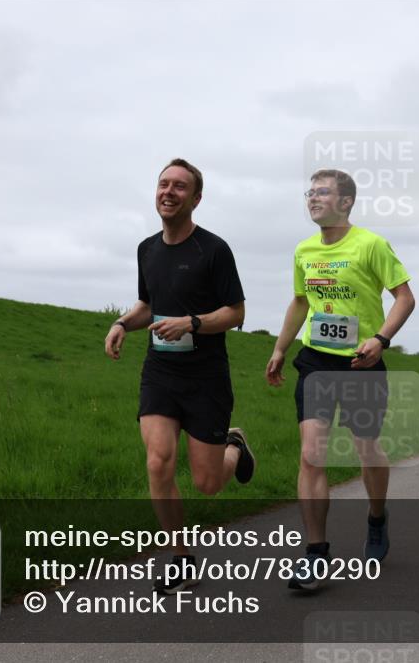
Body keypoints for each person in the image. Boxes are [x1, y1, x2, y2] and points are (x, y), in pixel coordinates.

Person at [103, 158, 255, 595]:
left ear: (196, 198)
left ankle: (235, 446)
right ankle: (181, 558)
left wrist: (192, 322)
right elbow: (147, 304)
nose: (169, 192)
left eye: (180, 187)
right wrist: (120, 324)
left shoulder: (214, 250)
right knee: (158, 462)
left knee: (207, 484)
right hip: (161, 372)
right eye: (163, 184)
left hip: (206, 376)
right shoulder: (146, 249)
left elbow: (236, 313)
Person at [265, 169, 415, 591]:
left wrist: (381, 339)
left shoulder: (371, 244)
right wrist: (280, 348)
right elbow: (299, 300)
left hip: (360, 363)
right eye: (309, 192)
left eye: (323, 192)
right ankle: (315, 554)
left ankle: (377, 517)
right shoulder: (304, 249)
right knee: (312, 454)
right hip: (315, 361)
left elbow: (405, 297)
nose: (313, 198)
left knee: (366, 447)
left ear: (346, 202)